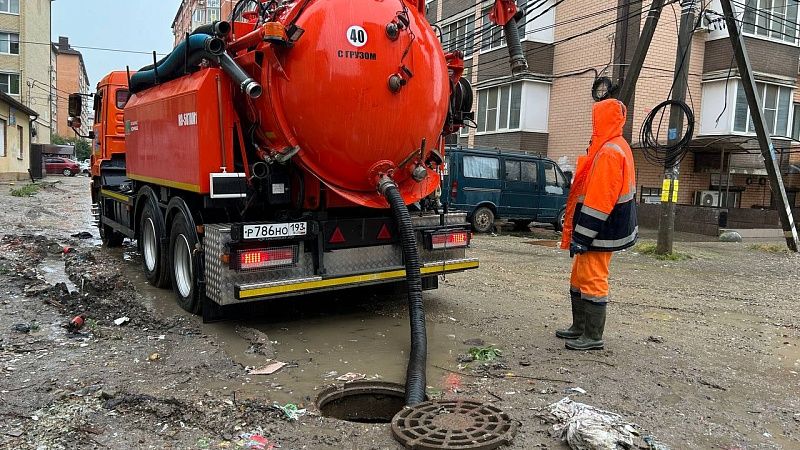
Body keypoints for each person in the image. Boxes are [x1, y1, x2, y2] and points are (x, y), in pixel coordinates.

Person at [557, 98, 638, 350]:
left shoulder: (609, 152)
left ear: (602, 120)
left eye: (594, 120)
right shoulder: (610, 147)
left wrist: (581, 237)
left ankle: (592, 336)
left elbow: (599, 201)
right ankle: (579, 327)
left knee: (592, 278)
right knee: (580, 277)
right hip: (599, 229)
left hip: (602, 230)